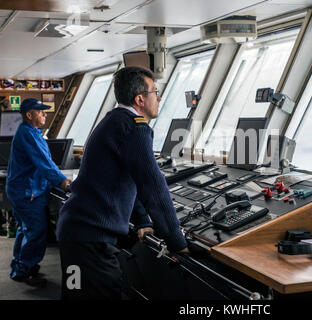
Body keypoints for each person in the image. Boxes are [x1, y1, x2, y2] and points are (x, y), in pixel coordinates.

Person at [56, 66, 189, 300]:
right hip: (92, 241)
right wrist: (177, 242)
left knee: (76, 294)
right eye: (155, 92)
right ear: (140, 99)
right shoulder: (135, 129)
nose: (159, 98)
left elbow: (129, 179)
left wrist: (142, 221)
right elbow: (153, 188)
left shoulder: (114, 120)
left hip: (75, 235)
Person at [6, 98, 71, 287]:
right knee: (35, 231)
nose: (44, 114)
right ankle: (26, 270)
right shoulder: (29, 134)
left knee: (24, 229)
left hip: (22, 189)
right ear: (29, 115)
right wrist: (63, 181)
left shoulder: (31, 132)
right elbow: (44, 163)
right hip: (27, 192)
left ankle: (19, 268)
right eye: (40, 111)